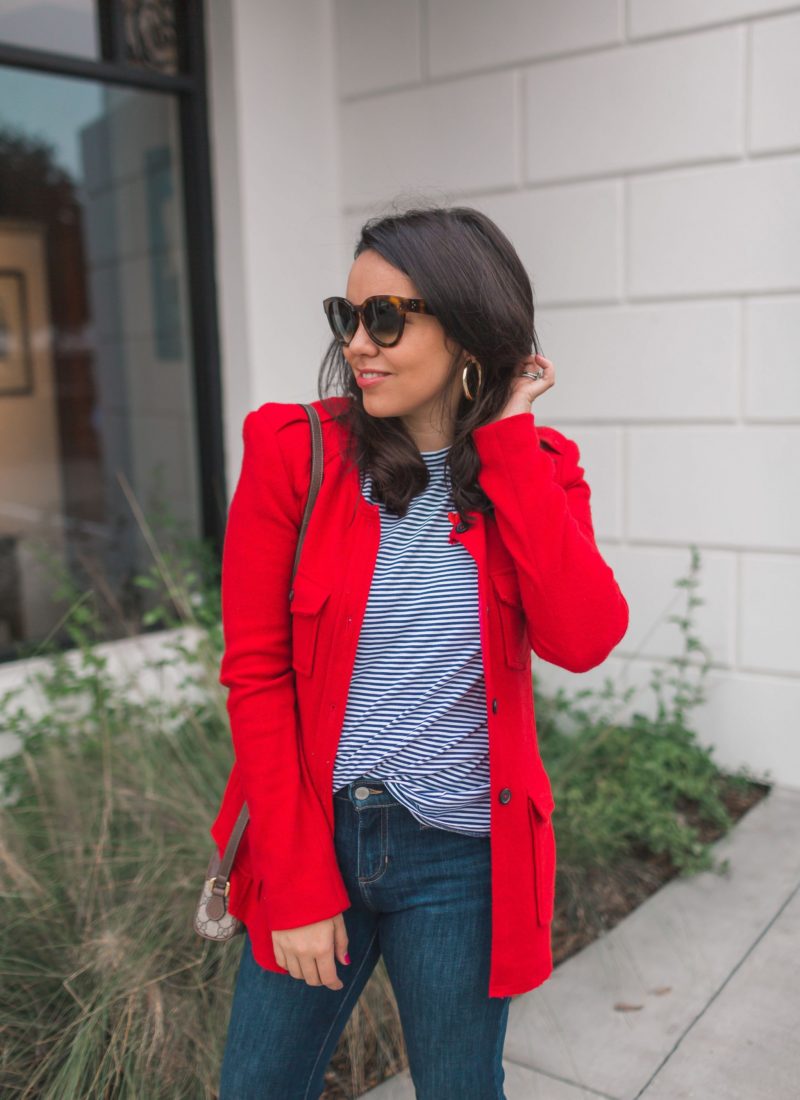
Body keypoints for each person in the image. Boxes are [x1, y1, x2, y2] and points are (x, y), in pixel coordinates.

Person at [212, 205, 630, 1099]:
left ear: (468, 330)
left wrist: (508, 445)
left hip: (462, 855)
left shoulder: (539, 466)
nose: (359, 343)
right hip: (317, 832)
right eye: (347, 316)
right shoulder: (296, 453)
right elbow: (256, 676)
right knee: (257, 1088)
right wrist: (295, 882)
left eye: (387, 318)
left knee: (460, 1090)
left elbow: (584, 637)